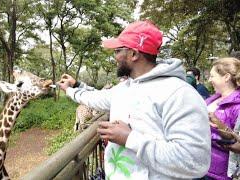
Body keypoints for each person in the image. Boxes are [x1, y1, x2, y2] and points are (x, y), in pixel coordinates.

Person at [58, 20, 210, 179]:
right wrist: (71, 88)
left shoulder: (179, 93)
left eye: (117, 51)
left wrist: (130, 138)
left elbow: (195, 162)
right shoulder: (124, 88)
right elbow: (95, 97)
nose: (115, 57)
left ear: (134, 54)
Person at [204, 57, 240, 179]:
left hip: (218, 173)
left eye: (212, 76)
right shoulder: (213, 99)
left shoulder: (237, 106)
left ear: (226, 77)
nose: (209, 80)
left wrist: (216, 125)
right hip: (201, 164)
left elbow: (236, 142)